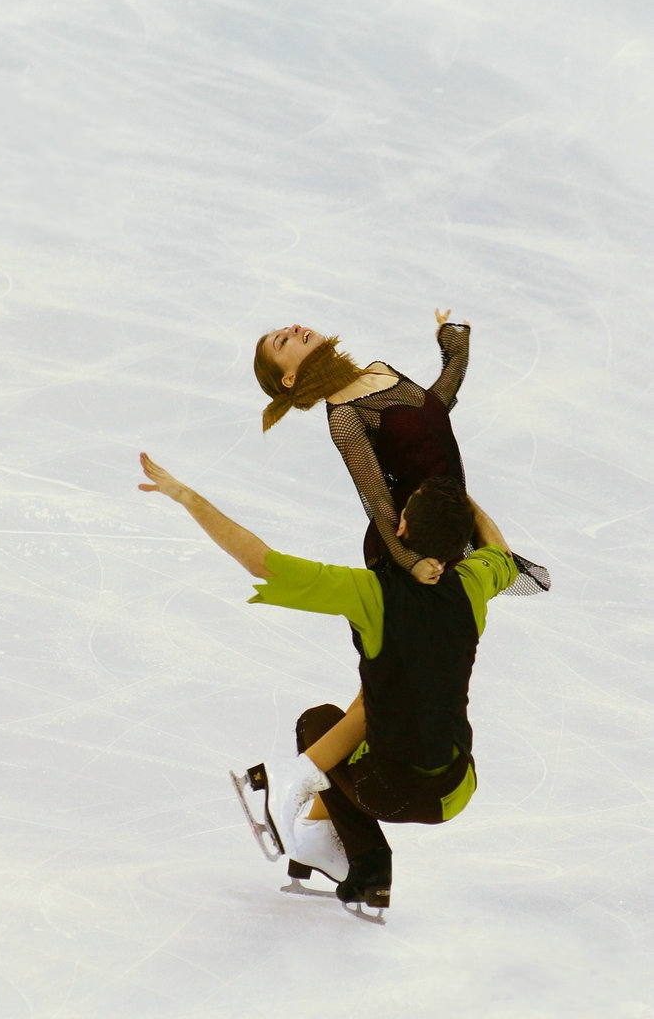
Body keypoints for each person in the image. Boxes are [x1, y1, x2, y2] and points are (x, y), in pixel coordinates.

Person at [138, 453, 518, 914]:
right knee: (379, 695)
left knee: (317, 723)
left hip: (393, 793)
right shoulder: (474, 583)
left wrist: (186, 495)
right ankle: (319, 836)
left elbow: (263, 563)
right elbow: (501, 553)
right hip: (457, 788)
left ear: (400, 531)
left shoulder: (371, 592)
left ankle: (352, 843)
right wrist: (461, 498)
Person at [253, 311, 549, 596]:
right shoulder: (345, 416)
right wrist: (411, 562)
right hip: (411, 541)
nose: (292, 328)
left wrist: (456, 355)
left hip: (446, 523)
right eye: (282, 342)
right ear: (289, 379)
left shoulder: (379, 369)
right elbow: (378, 501)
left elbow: (432, 409)